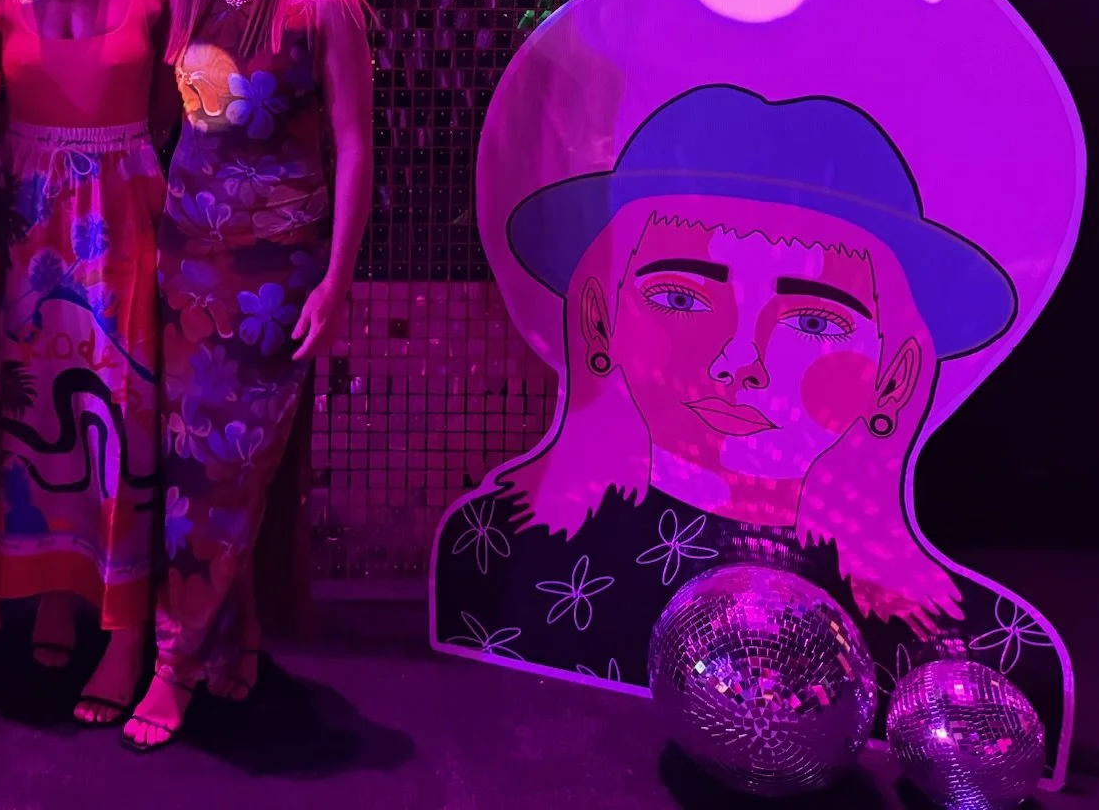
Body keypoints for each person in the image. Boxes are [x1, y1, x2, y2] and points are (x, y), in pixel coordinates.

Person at [431, 85, 1067, 760]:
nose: (739, 360)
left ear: (895, 374)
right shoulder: (497, 554)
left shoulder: (968, 654)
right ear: (598, 319)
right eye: (681, 298)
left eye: (812, 322)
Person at [122, 0, 375, 752]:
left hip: (273, 276)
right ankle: (234, 641)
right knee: (190, 462)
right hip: (186, 263)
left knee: (224, 470)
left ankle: (174, 665)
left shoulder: (324, 6)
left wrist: (335, 282)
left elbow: (355, 149)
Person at [0, 0, 179, 727]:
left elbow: (176, 100)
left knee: (122, 408)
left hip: (121, 210)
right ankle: (57, 586)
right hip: (25, 217)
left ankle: (126, 625)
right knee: (33, 408)